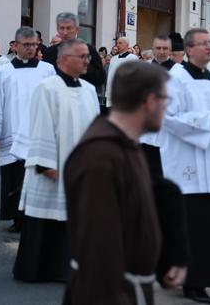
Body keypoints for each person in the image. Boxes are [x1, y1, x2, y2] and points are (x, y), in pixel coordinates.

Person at [63, 61, 186, 304]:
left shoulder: (126, 144)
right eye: (165, 100)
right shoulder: (100, 158)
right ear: (150, 101)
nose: (166, 108)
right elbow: (99, 250)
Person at [11, 39, 99, 282]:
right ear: (62, 60)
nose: (86, 60)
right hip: (52, 165)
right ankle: (39, 268)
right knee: (47, 217)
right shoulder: (47, 87)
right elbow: (39, 125)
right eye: (81, 56)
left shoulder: (90, 90)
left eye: (87, 56)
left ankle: (67, 267)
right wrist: (45, 163)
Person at [160, 28, 210, 303]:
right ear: (189, 49)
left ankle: (203, 279)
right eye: (204, 44)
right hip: (186, 167)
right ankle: (189, 282)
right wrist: (208, 120)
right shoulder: (174, 79)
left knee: (208, 227)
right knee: (188, 227)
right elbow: (168, 117)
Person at [0, 27, 56, 233]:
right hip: (13, 129)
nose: (30, 48)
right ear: (16, 45)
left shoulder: (47, 70)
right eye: (26, 44)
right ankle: (18, 218)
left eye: (34, 44)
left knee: (39, 174)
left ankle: (39, 216)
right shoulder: (5, 71)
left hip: (40, 131)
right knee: (15, 175)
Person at [142, 35, 176, 177]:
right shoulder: (143, 69)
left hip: (169, 129)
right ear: (153, 49)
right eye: (158, 48)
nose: (161, 51)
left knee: (167, 174)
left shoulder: (179, 71)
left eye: (165, 48)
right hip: (147, 131)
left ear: (170, 50)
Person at [42, 13, 105, 89]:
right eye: (62, 28)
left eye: (69, 28)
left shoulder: (88, 50)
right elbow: (44, 75)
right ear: (57, 29)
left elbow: (100, 78)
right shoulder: (49, 52)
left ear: (77, 30)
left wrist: (80, 66)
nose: (65, 32)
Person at [105, 36, 139, 108]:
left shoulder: (133, 58)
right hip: (113, 92)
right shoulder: (113, 59)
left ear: (127, 45)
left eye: (120, 43)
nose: (117, 45)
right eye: (117, 43)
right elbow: (110, 76)